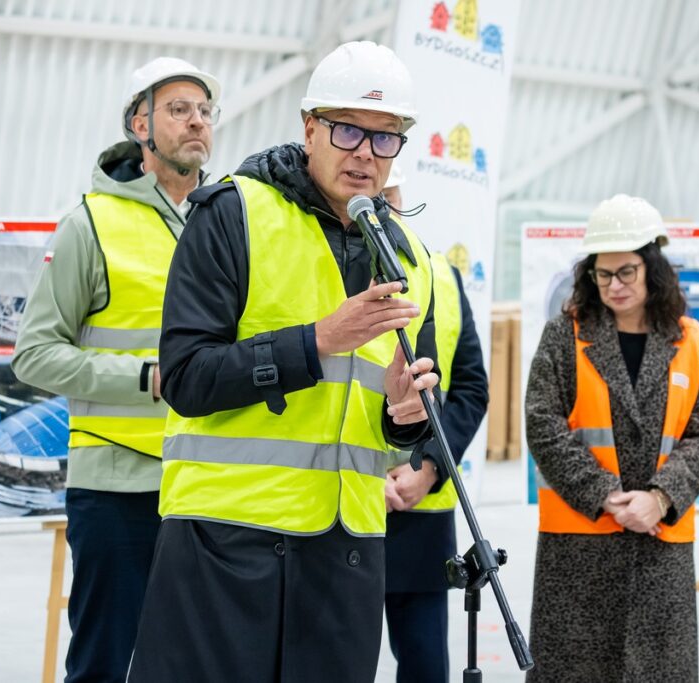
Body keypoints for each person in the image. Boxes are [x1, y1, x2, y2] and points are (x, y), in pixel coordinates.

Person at [125, 41, 440, 683]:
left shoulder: (412, 260)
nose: (365, 153)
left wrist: (405, 419)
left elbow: (390, 425)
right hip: (225, 543)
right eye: (348, 129)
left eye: (385, 140)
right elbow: (186, 377)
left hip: (346, 553)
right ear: (309, 129)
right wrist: (316, 340)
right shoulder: (232, 214)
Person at [11, 57, 220, 683]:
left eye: (205, 111)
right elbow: (34, 353)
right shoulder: (89, 224)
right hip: (116, 490)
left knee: (192, 663)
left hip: (207, 483)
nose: (196, 123)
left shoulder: (225, 221)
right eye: (178, 109)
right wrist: (145, 376)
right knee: (105, 662)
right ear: (140, 125)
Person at [525, 194, 699, 682]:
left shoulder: (688, 339)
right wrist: (609, 498)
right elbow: (542, 423)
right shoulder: (564, 336)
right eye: (603, 274)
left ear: (652, 269)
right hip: (579, 550)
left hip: (660, 545)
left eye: (626, 272)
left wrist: (660, 498)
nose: (614, 285)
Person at [381, 166, 489, 683]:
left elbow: (471, 388)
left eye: (388, 193)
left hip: (421, 508)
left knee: (424, 665)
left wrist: (428, 471)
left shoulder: (440, 273)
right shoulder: (313, 268)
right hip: (334, 503)